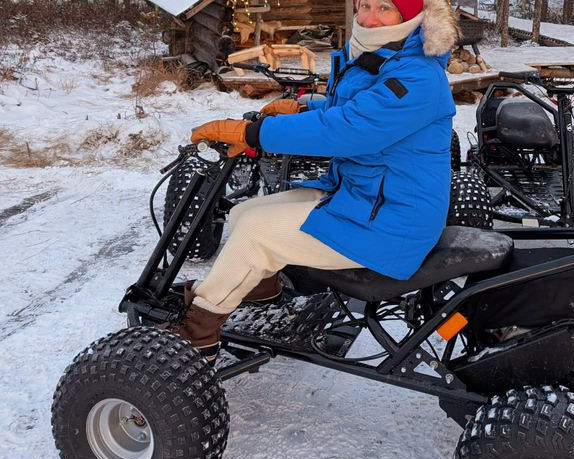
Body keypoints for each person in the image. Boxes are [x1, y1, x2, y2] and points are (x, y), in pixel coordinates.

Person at [170, 0, 459, 363]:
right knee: (243, 214)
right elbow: (356, 106)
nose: (369, 18)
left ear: (411, 14)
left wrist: (255, 133)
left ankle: (197, 335)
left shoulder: (416, 75)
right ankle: (259, 290)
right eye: (365, 4)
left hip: (392, 223)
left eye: (385, 8)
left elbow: (349, 129)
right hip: (367, 199)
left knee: (257, 233)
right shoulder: (386, 56)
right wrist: (306, 106)